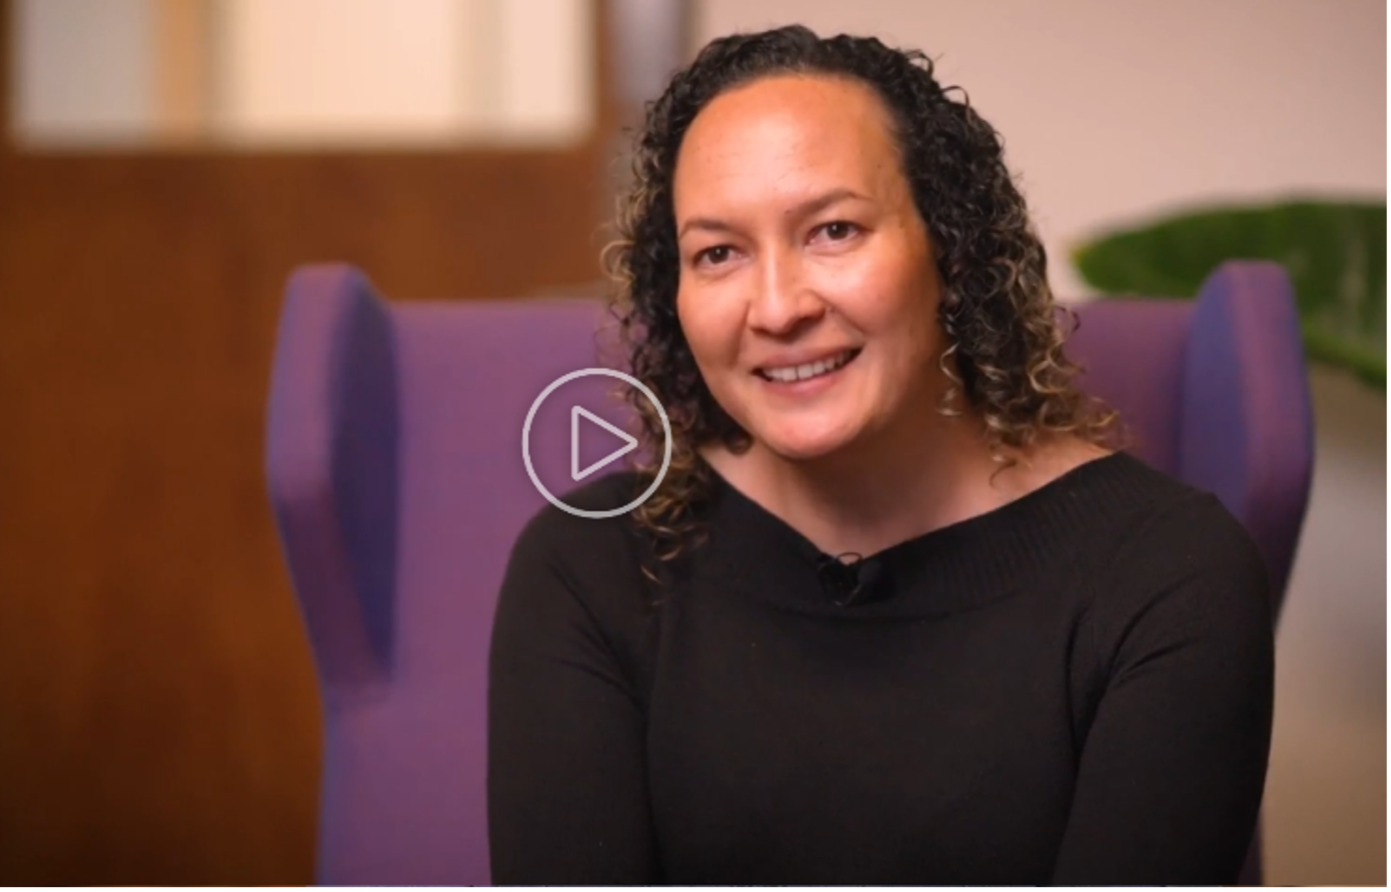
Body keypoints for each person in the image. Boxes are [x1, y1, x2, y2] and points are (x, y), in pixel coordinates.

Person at [488, 25, 1274, 886]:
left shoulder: (1167, 575)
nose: (778, 307)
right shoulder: (590, 567)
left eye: (832, 230)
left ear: (953, 250)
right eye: (718, 253)